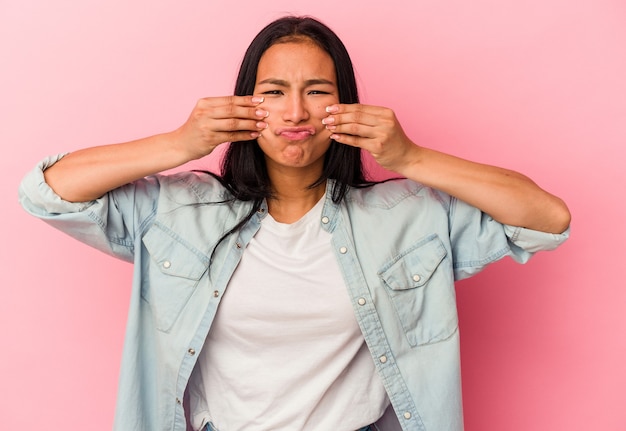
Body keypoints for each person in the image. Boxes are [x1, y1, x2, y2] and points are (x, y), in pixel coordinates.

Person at [19, 15, 570, 431]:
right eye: (274, 93)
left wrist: (411, 157)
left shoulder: (408, 216)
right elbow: (47, 192)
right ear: (244, 104)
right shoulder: (180, 212)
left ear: (347, 106)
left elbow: (547, 218)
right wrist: (180, 142)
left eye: (318, 92)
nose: (296, 114)